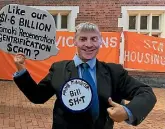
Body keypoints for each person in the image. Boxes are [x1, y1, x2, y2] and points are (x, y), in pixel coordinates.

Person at [13, 22, 157, 129]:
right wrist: (21, 67)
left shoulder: (114, 72)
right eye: (83, 39)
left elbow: (146, 93)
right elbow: (37, 96)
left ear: (100, 41)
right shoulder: (59, 69)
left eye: (94, 39)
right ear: (74, 41)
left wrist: (127, 111)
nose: (88, 44)